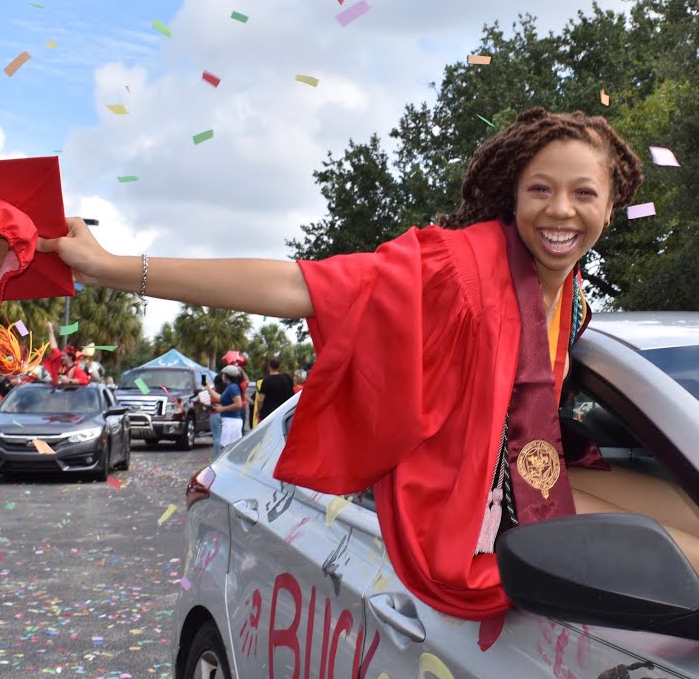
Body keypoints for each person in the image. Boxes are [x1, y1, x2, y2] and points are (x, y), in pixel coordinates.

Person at [38, 107, 644, 619]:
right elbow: (302, 286)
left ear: (611, 204)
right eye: (540, 189)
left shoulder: (571, 298)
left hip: (524, 479)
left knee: (693, 519)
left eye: (583, 192)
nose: (560, 210)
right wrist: (112, 268)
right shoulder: (458, 273)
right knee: (679, 547)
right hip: (459, 527)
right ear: (513, 195)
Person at [212, 368, 244, 456]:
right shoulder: (230, 387)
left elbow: (238, 404)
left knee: (227, 450)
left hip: (231, 422)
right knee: (227, 449)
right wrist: (208, 389)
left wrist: (223, 409)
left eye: (223, 374)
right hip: (230, 421)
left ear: (227, 376)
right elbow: (221, 398)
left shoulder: (233, 388)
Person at [255, 358, 294, 424]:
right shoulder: (284, 379)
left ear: (269, 366)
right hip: (281, 412)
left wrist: (259, 411)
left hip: (268, 413)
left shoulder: (266, 380)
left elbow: (261, 400)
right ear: (279, 366)